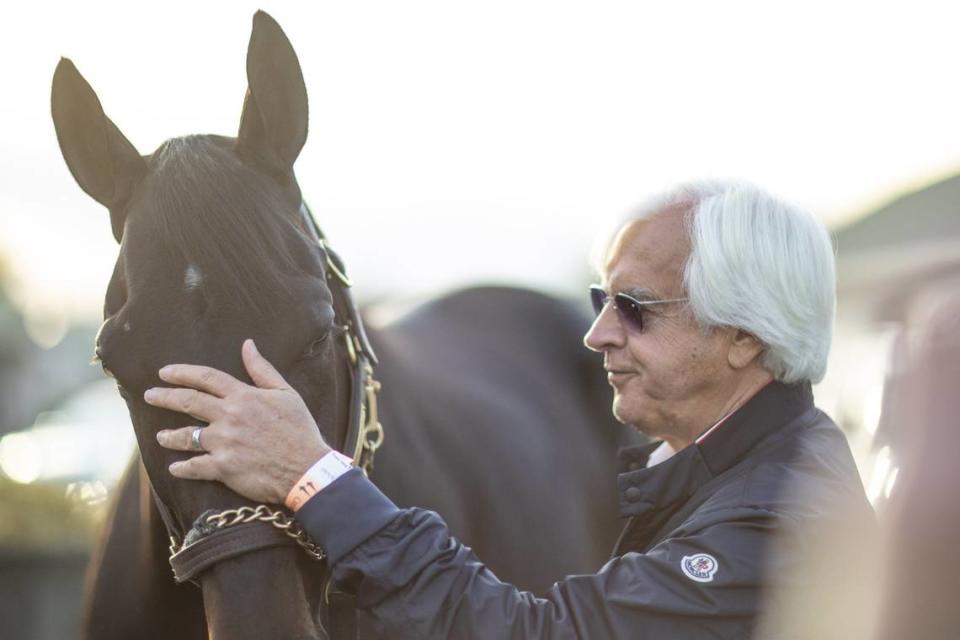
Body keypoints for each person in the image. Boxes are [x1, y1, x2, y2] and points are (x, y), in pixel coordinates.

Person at [144, 181, 875, 638]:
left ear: (743, 337)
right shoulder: (747, 463)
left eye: (636, 309)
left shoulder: (773, 522)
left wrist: (314, 476)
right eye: (600, 301)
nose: (598, 335)